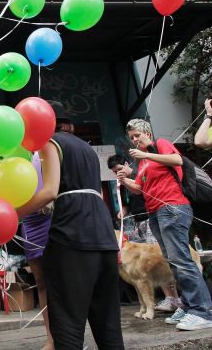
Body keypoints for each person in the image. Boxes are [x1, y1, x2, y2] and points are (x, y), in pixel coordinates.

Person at [16, 101, 124, 350]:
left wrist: (14, 214)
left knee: (67, 324)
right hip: (104, 235)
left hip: (73, 235)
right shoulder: (87, 149)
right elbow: (94, 191)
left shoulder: (50, 142)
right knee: (108, 324)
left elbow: (49, 191)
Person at [118, 118, 212, 330]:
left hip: (173, 207)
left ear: (147, 133)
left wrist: (145, 154)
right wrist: (124, 179)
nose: (134, 140)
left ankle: (202, 311)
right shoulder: (142, 163)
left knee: (182, 260)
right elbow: (139, 189)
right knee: (173, 261)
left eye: (137, 135)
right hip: (156, 212)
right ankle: (188, 308)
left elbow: (177, 160)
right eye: (131, 137)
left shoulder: (159, 145)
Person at [107, 154, 182, 313]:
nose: (118, 173)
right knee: (142, 266)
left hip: (151, 218)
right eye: (114, 172)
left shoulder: (139, 174)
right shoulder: (121, 184)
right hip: (136, 223)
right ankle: (164, 299)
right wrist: (123, 211)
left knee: (158, 257)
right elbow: (127, 203)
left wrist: (127, 181)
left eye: (119, 169)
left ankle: (173, 297)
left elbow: (144, 191)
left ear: (127, 163)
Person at [20, 209, 54, 350]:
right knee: (41, 283)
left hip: (52, 217)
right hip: (29, 222)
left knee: (61, 281)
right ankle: (51, 340)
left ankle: (69, 335)